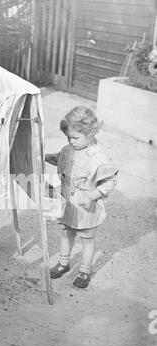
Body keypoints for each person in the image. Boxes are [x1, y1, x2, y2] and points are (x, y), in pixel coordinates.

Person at [45, 106, 118, 288]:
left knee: (86, 239)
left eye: (75, 137)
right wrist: (48, 157)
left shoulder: (98, 157)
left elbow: (110, 180)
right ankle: (63, 263)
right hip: (68, 202)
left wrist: (93, 194)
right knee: (65, 233)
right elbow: (61, 157)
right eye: (68, 137)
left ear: (90, 133)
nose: (71, 141)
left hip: (86, 207)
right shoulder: (69, 148)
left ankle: (84, 270)